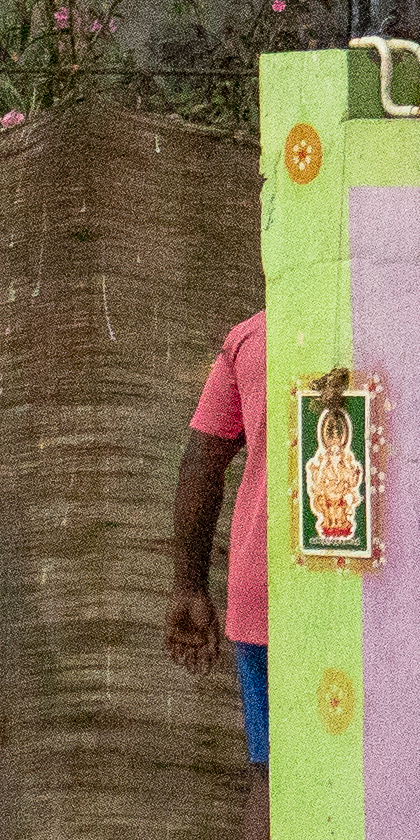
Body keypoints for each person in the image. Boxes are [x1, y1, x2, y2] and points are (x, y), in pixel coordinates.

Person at [167, 307, 272, 765]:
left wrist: (189, 588)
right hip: (370, 584)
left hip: (264, 591)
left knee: (271, 776)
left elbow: (202, 459)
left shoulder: (252, 339)